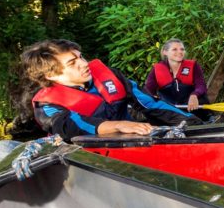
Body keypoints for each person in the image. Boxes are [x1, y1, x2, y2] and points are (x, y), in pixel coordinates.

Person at [22, 39, 202, 142]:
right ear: (51, 75)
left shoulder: (111, 76)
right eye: (72, 63)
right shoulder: (46, 104)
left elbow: (149, 103)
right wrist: (118, 126)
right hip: (88, 149)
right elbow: (71, 125)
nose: (84, 64)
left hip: (134, 138)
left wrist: (193, 124)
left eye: (80, 57)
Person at [144, 38, 210, 114]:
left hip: (194, 108)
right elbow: (148, 90)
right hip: (171, 110)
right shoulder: (157, 69)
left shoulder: (193, 66)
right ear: (165, 52)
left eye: (182, 49)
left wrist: (194, 95)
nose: (180, 52)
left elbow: (201, 86)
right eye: (174, 49)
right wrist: (152, 98)